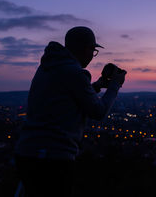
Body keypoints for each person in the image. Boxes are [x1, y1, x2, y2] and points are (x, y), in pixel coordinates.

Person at [14, 26, 126, 197]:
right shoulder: (74, 72)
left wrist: (96, 86)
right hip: (52, 157)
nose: (92, 55)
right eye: (93, 50)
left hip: (27, 152)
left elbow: (67, 97)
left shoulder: (49, 66)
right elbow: (98, 112)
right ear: (83, 48)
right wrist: (114, 86)